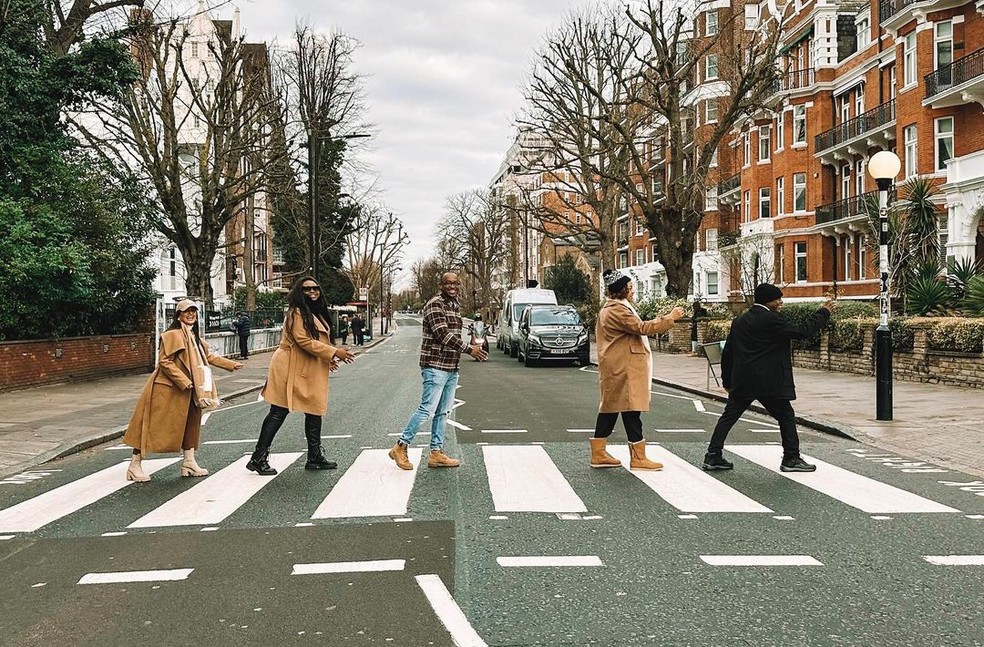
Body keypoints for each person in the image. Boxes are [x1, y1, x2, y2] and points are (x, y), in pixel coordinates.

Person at [701, 283, 836, 473]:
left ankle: (713, 456)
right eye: (777, 299)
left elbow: (729, 353)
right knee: (786, 416)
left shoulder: (740, 320)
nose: (780, 302)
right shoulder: (772, 320)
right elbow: (802, 331)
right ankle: (791, 458)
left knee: (729, 417)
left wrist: (727, 380)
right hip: (769, 382)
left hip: (743, 381)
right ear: (768, 301)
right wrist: (823, 313)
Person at [246, 276, 356, 476]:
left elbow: (313, 341)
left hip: (307, 365)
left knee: (314, 410)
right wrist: (334, 352)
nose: (312, 292)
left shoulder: (315, 312)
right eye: (307, 289)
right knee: (279, 410)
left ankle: (314, 457)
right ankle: (258, 457)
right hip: (289, 366)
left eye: (315, 288)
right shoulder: (297, 312)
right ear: (299, 292)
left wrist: (327, 358)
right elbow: (303, 341)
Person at [123, 300, 243, 481]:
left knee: (191, 425)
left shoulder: (195, 338)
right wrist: (183, 380)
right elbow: (164, 361)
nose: (191, 314)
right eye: (187, 311)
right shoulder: (172, 335)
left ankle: (189, 461)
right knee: (152, 425)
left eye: (193, 311)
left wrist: (231, 365)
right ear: (178, 315)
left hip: (193, 390)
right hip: (168, 388)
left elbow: (208, 356)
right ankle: (134, 465)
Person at [389, 272, 488, 471]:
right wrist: (470, 350)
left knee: (443, 412)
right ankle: (400, 446)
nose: (452, 286)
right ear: (441, 285)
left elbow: (455, 332)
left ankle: (436, 452)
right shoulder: (435, 304)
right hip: (435, 365)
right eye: (447, 283)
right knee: (427, 409)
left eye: (455, 283)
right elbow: (442, 334)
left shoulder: (455, 304)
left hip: (451, 366)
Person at [590, 269, 685, 470]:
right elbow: (642, 327)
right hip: (623, 367)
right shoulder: (618, 310)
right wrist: (670, 317)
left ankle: (600, 453)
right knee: (629, 410)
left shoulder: (614, 307)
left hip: (618, 366)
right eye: (630, 287)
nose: (632, 291)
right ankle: (637, 458)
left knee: (614, 409)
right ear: (621, 290)